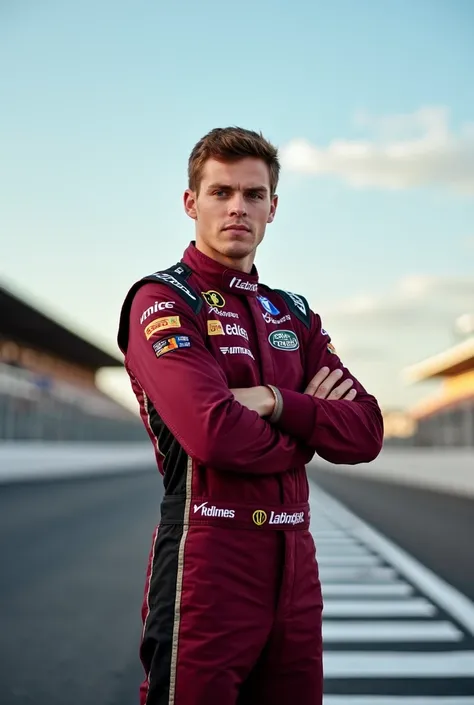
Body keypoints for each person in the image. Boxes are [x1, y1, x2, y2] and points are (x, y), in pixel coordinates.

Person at [117, 126, 384, 705]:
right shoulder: (162, 300)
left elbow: (366, 430)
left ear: (273, 207)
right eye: (220, 192)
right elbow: (213, 433)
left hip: (296, 565)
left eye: (253, 194)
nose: (238, 206)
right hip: (209, 559)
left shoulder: (293, 313)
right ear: (192, 203)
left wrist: (276, 402)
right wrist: (309, 429)